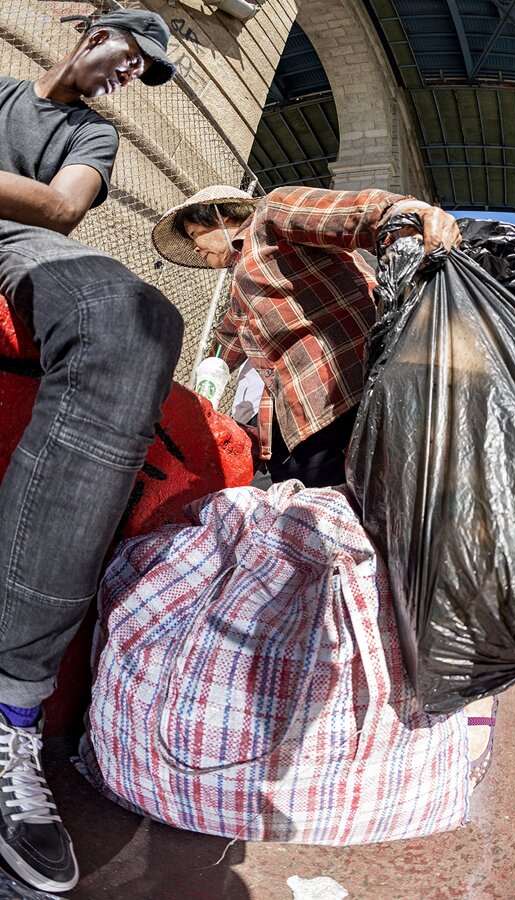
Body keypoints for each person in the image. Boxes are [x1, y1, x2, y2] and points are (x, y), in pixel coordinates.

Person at [0, 9, 184, 892]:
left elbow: (61, 207)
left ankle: (9, 708)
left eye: (143, 72)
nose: (127, 76)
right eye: (128, 55)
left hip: (14, 244)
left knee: (135, 316)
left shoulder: (91, 138)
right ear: (90, 31)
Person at [152, 184, 461, 487]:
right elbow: (223, 347)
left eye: (195, 233)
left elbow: (350, 213)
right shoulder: (240, 290)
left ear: (224, 217)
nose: (195, 247)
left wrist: (409, 215)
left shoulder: (268, 217)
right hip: (307, 420)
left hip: (353, 393)